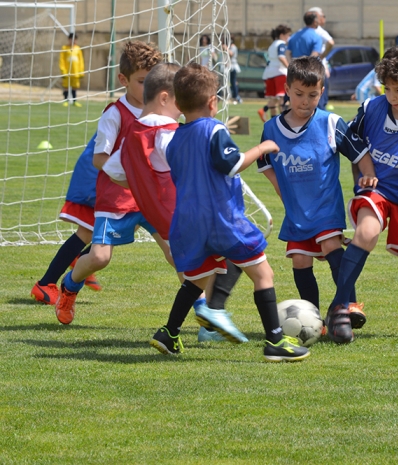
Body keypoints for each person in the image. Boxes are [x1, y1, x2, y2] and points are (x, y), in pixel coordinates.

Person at [151, 63, 309, 361]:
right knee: (264, 274)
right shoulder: (214, 129)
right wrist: (262, 148)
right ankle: (275, 341)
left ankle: (169, 333)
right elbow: (233, 164)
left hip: (189, 223)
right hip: (223, 220)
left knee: (195, 281)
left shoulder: (174, 140)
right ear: (213, 102)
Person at [103, 62, 244, 345]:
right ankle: (211, 317)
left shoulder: (132, 133)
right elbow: (190, 158)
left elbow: (114, 171)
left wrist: (145, 190)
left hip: (162, 216)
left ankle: (188, 325)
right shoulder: (167, 131)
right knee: (236, 254)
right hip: (189, 211)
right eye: (180, 101)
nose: (184, 108)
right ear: (166, 98)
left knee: (195, 267)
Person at [325, 41, 398, 344]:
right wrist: (362, 175)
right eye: (387, 88)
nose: (391, 96)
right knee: (366, 232)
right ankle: (340, 306)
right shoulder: (372, 109)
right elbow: (351, 143)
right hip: (378, 189)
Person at [258, 56, 377, 327]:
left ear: (322, 92)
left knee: (331, 245)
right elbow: (264, 163)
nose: (305, 101)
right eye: (299, 94)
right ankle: (314, 320)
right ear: (286, 89)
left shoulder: (330, 123)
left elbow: (359, 152)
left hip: (325, 206)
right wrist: (281, 192)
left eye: (313, 95)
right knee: (300, 260)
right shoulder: (271, 129)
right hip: (297, 211)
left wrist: (368, 175)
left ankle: (348, 304)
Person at [54, 41, 166, 325]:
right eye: (142, 82)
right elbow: (100, 159)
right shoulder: (114, 114)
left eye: (153, 82)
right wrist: (130, 174)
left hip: (152, 197)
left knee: (177, 253)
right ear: (123, 80)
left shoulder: (164, 114)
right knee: (101, 257)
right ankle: (70, 285)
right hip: (115, 198)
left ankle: (202, 312)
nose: (149, 88)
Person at [30, 135, 102, 305]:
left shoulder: (139, 114)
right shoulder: (119, 113)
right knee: (89, 230)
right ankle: (46, 283)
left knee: (129, 224)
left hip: (110, 176)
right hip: (98, 176)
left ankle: (81, 259)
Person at [258, 24, 292, 122]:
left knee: (274, 99)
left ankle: (271, 119)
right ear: (282, 35)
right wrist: (290, 68)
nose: (288, 38)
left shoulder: (272, 45)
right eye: (288, 35)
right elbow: (281, 57)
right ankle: (283, 122)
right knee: (282, 98)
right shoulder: (281, 44)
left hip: (269, 73)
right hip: (279, 73)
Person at [307, 7, 334, 110]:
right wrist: (322, 56)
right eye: (323, 16)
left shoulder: (302, 32)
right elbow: (331, 42)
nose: (324, 18)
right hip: (317, 68)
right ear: (316, 17)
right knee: (320, 100)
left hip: (308, 68)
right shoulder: (319, 31)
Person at [59, 32, 85, 107]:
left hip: (76, 71)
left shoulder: (78, 49)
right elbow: (61, 60)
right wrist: (62, 70)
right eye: (71, 39)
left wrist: (81, 71)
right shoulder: (64, 48)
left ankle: (74, 101)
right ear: (69, 40)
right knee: (66, 86)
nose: (73, 41)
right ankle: (66, 100)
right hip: (67, 72)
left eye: (75, 39)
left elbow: (81, 61)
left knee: (75, 86)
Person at [226, 34, 243, 104]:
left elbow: (231, 54)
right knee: (230, 83)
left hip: (232, 66)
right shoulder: (229, 47)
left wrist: (226, 48)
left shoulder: (233, 47)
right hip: (228, 66)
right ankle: (233, 97)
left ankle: (236, 97)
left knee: (233, 82)